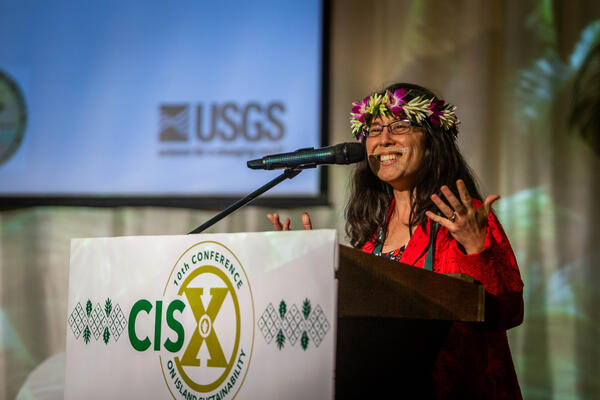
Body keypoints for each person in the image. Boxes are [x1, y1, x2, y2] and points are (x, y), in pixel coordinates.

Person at [267, 83, 524, 399]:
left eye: (400, 126)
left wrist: (476, 248)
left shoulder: (464, 217)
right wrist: (311, 270)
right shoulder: (372, 233)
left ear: (432, 140)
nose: (384, 139)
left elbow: (508, 313)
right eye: (374, 129)